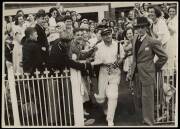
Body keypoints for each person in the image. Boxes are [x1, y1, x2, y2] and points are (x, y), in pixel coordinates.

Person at [131, 17, 168, 125]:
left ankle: (148, 121)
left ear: (147, 27)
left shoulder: (152, 41)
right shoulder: (134, 38)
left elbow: (164, 57)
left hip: (147, 73)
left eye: (142, 27)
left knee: (147, 98)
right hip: (136, 72)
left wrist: (154, 68)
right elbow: (134, 56)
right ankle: (142, 118)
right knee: (138, 96)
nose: (140, 29)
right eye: (138, 27)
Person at [90, 28, 125, 126]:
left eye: (109, 34)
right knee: (101, 97)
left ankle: (110, 119)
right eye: (105, 35)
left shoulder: (118, 44)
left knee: (113, 95)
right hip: (103, 71)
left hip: (114, 71)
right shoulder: (98, 46)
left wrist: (116, 64)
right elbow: (96, 59)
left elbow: (122, 57)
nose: (108, 36)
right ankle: (105, 106)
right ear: (102, 36)